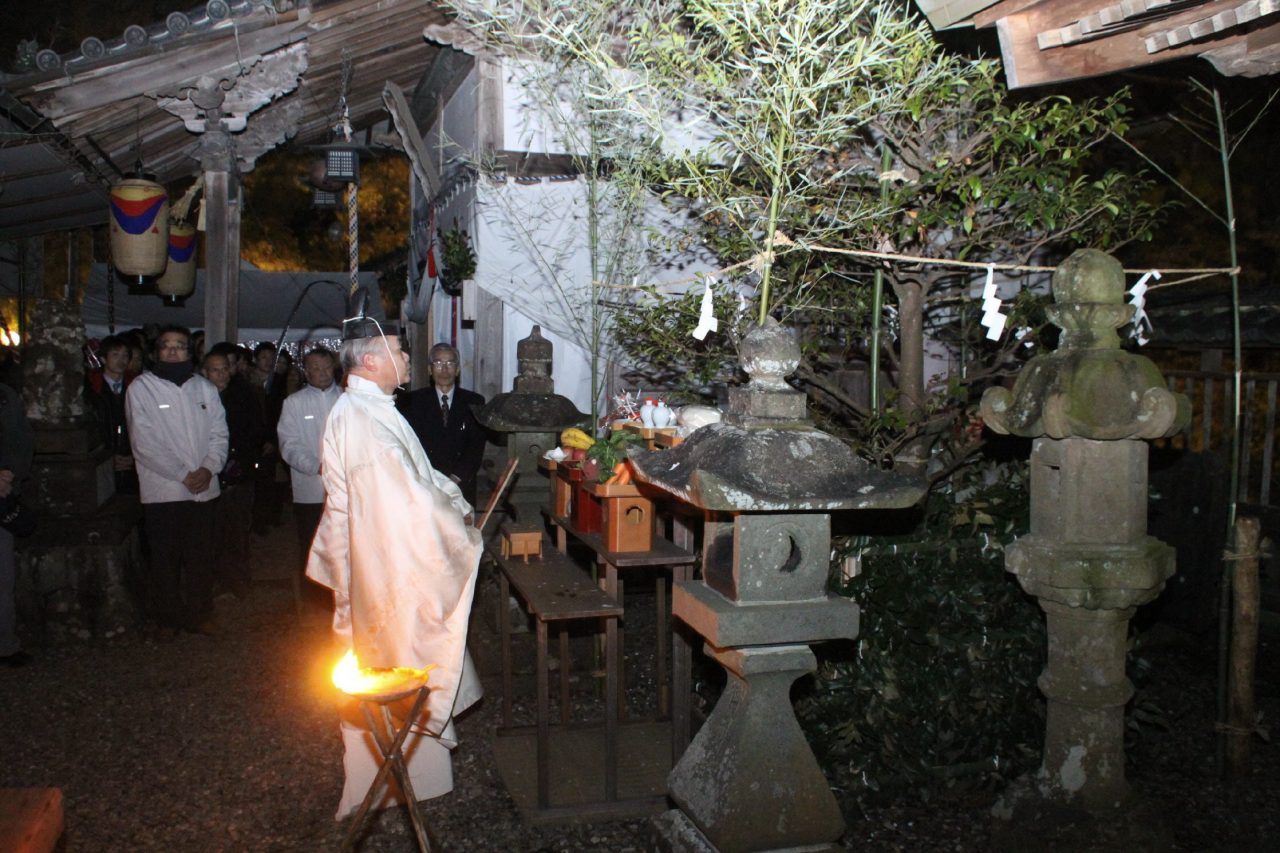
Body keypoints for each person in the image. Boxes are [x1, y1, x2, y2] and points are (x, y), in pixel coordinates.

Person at [306, 316, 482, 819]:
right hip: (387, 563)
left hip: (386, 556)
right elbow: (403, 504)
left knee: (401, 655)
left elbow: (420, 475)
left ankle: (417, 777)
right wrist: (456, 529)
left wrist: (451, 498)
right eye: (401, 352)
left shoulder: (375, 407)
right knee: (399, 652)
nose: (409, 360)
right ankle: (385, 779)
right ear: (370, 360)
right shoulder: (361, 417)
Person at [127, 326, 228, 637]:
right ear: (157, 351)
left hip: (203, 489)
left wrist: (208, 468)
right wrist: (183, 474)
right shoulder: (142, 389)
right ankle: (168, 618)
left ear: (190, 352)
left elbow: (219, 434)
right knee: (165, 558)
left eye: (180, 346)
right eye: (167, 346)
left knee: (200, 555)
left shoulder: (204, 389)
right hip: (165, 490)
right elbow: (144, 442)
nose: (173, 351)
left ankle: (200, 613)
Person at [203, 350, 266, 599]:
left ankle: (239, 579)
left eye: (226, 368)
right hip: (208, 473)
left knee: (237, 529)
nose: (222, 373)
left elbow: (254, 430)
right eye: (216, 369)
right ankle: (216, 578)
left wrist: (240, 458)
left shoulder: (244, 394)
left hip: (239, 471)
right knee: (212, 531)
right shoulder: (196, 397)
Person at [397, 343, 488, 507]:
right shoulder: (413, 402)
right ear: (430, 370)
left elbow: (475, 447)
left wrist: (453, 480)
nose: (444, 369)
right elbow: (408, 445)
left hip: (461, 485)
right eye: (438, 363)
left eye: (450, 363)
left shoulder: (474, 402)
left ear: (458, 370)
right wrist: (430, 480)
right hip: (425, 484)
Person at [276, 347, 341, 565]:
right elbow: (289, 444)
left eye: (327, 367)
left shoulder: (346, 399)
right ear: (306, 371)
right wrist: (317, 466)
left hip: (345, 488)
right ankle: (311, 598)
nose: (322, 373)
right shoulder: (293, 403)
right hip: (310, 489)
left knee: (343, 548)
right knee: (312, 548)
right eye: (316, 368)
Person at [0, 377, 34, 666]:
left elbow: (21, 440)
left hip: (1, 495)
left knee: (3, 577)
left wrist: (9, 472)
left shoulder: (5, 395)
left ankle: (5, 644)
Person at [84, 335, 139, 494]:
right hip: (104, 455)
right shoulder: (91, 387)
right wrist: (107, 456)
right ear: (103, 358)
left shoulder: (136, 385)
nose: (121, 360)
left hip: (131, 456)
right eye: (115, 354)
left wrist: (135, 456)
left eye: (125, 356)